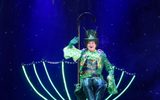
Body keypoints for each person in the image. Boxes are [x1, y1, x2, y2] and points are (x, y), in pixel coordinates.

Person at [63, 29, 118, 100]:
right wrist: (70, 44)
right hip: (85, 78)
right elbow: (69, 53)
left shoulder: (101, 54)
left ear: (95, 44)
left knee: (102, 84)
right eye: (89, 43)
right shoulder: (82, 52)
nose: (91, 44)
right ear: (86, 44)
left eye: (92, 43)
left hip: (97, 78)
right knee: (86, 83)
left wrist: (110, 74)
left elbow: (109, 67)